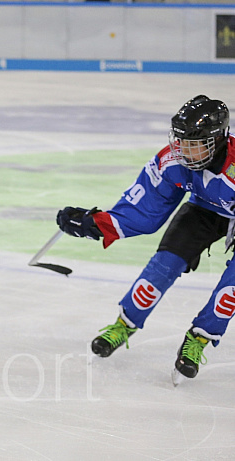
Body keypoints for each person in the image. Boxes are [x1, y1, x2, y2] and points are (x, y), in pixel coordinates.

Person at [56, 95, 234, 385]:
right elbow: (144, 209)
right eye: (180, 141)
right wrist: (94, 224)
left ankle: (199, 339)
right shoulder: (174, 161)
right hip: (203, 210)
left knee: (232, 287)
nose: (183, 151)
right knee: (162, 265)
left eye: (193, 144)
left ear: (218, 141)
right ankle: (123, 325)